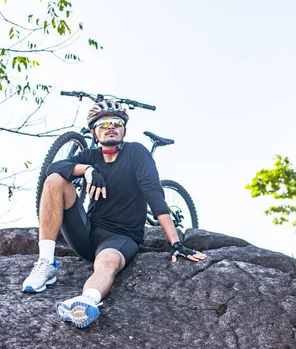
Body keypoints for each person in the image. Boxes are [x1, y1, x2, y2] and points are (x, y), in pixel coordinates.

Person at [22, 99, 206, 328]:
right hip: (87, 232)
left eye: (116, 122)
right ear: (93, 132)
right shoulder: (90, 156)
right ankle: (46, 264)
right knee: (55, 180)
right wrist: (87, 170)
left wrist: (176, 243)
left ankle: (86, 301)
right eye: (104, 123)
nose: (111, 126)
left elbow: (154, 195)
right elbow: (53, 169)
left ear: (124, 129)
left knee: (108, 262)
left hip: (120, 238)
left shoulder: (136, 153)